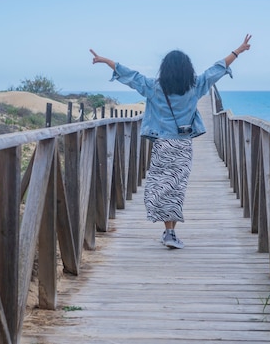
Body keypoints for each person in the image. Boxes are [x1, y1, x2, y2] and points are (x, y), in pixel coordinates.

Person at [90, 34, 252, 249]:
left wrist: (106, 61)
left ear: (165, 69)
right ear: (187, 69)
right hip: (183, 145)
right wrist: (238, 51)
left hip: (162, 144)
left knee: (161, 186)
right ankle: (170, 232)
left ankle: (168, 229)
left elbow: (131, 75)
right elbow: (216, 70)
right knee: (177, 188)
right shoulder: (195, 86)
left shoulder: (154, 87)